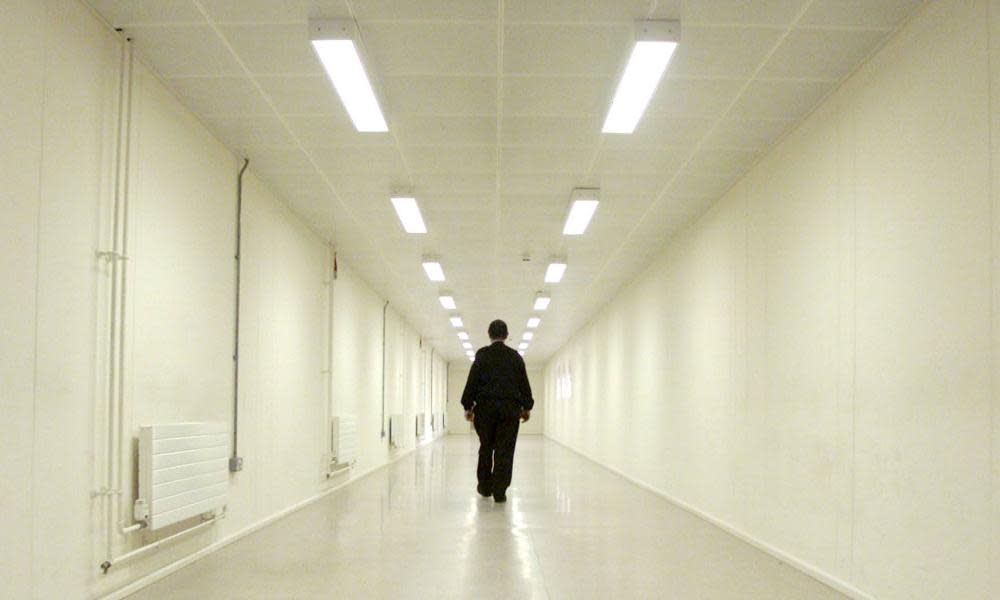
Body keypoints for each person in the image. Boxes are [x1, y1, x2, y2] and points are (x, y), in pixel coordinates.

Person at [460, 319, 533, 503]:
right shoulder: (515, 357)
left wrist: (468, 406)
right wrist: (526, 407)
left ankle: (485, 487)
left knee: (486, 447)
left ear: (489, 335)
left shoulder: (482, 355)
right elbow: (524, 384)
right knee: (505, 450)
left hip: (485, 410)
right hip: (509, 410)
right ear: (507, 336)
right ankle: (500, 491)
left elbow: (472, 382)